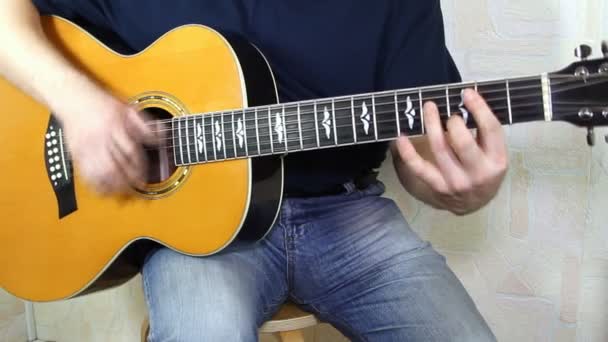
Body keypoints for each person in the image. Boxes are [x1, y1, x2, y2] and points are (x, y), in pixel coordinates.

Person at [0, 1, 507, 341]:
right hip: (201, 237)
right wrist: (76, 101)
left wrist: (457, 189)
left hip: (349, 216)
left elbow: (416, 145)